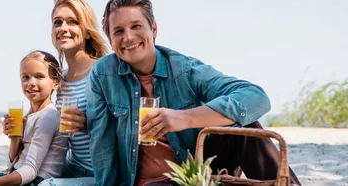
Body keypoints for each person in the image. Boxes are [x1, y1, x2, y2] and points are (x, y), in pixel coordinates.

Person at [85, 0, 302, 185]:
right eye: (118, 31)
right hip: (153, 182)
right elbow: (101, 141)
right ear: (110, 40)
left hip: (199, 172)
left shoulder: (184, 69)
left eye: (136, 26)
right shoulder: (103, 74)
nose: (128, 37)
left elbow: (256, 97)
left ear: (154, 29)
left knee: (246, 127)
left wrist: (184, 118)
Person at [37, 0, 108, 186]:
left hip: (101, 173)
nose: (63, 28)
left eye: (73, 22)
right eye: (57, 22)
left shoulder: (102, 72)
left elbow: (124, 127)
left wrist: (88, 125)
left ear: (86, 31)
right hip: (72, 166)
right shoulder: (62, 79)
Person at [0, 50, 69, 186]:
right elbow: (13, 164)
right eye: (25, 77)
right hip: (20, 174)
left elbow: (31, 170)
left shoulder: (48, 116)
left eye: (39, 76)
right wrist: (15, 139)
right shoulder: (29, 116)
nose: (31, 83)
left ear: (56, 82)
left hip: (38, 181)